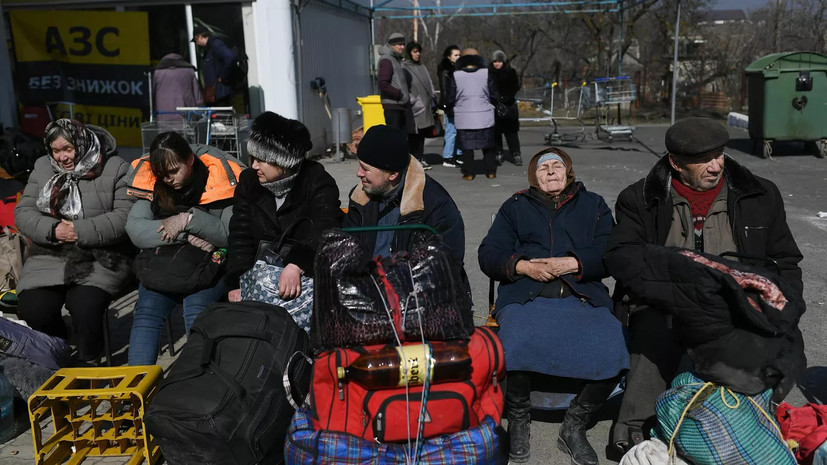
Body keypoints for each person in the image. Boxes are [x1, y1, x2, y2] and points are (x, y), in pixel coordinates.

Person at [604, 117, 804, 455]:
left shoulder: (759, 194)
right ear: (676, 164)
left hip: (740, 302)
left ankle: (749, 423)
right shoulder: (640, 198)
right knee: (655, 330)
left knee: (765, 346)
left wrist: (783, 304)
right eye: (703, 159)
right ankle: (634, 427)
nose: (716, 165)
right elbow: (622, 258)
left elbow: (785, 261)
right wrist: (676, 283)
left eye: (719, 155)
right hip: (664, 300)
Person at [479, 148, 629, 464]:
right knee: (513, 341)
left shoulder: (594, 205)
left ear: (568, 172)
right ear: (534, 176)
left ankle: (574, 424)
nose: (550, 172)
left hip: (581, 296)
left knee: (614, 343)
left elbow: (612, 252)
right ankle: (518, 418)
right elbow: (489, 252)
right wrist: (523, 266)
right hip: (526, 295)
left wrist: (575, 262)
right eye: (543, 167)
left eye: (556, 166)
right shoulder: (516, 207)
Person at [14, 119, 135, 362]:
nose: (61, 157)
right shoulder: (42, 167)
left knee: (85, 306)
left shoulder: (116, 168)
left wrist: (80, 230)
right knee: (33, 308)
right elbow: (23, 212)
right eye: (56, 151)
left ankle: (90, 358)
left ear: (82, 143)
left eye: (68, 149)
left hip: (101, 256)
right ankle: (59, 346)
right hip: (51, 253)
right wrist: (54, 229)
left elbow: (125, 216)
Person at [125, 131, 243, 366]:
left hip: (210, 266)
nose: (168, 179)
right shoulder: (153, 183)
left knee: (196, 309)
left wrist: (189, 220)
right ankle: (135, 387)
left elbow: (229, 234)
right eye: (162, 174)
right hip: (167, 262)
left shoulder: (220, 177)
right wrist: (184, 234)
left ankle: (194, 378)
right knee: (147, 312)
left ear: (190, 160)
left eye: (173, 171)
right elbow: (135, 229)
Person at [224, 111, 342, 304]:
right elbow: (240, 234)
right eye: (253, 158)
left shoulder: (316, 181)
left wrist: (297, 264)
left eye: (261, 160)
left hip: (304, 282)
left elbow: (326, 227)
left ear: (283, 162)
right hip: (259, 279)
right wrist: (239, 281)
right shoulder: (249, 182)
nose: (254, 166)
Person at [342, 124, 465, 263]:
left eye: (365, 169)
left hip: (412, 282)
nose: (358, 173)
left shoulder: (435, 204)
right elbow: (348, 249)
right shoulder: (360, 197)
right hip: (369, 281)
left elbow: (446, 264)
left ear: (393, 174)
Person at [445, 48, 500, 181]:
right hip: (484, 115)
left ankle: (469, 173)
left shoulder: (456, 75)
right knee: (488, 146)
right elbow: (494, 94)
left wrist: (450, 107)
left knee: (467, 147)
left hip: (464, 116)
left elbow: (451, 97)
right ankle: (491, 171)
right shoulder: (486, 74)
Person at [402, 41, 437, 168]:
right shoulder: (405, 67)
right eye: (414, 52)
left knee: (422, 133)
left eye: (418, 52)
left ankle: (420, 157)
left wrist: (433, 98)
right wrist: (413, 100)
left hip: (425, 105)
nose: (417, 54)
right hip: (414, 107)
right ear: (409, 53)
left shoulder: (422, 66)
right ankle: (414, 159)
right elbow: (404, 87)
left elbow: (430, 84)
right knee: (414, 134)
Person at [377, 33, 416, 143]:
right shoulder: (387, 60)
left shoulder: (395, 59)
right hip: (393, 106)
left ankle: (399, 159)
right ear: (392, 45)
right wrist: (399, 94)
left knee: (401, 138)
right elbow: (383, 84)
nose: (402, 47)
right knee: (394, 139)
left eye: (403, 44)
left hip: (399, 105)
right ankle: (393, 160)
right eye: (399, 44)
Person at [489, 50, 522, 166]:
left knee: (511, 133)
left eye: (499, 61)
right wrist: (495, 100)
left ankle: (516, 154)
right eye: (495, 62)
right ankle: (498, 153)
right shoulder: (489, 73)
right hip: (494, 107)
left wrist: (506, 97)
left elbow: (515, 86)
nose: (497, 64)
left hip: (509, 106)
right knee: (496, 133)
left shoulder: (510, 72)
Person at [192, 26, 235, 107]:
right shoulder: (209, 48)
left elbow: (229, 57)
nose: (196, 44)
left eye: (196, 40)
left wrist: (223, 76)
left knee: (222, 118)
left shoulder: (215, 44)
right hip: (215, 94)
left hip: (221, 94)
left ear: (199, 37)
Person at [153, 52, 203, 120]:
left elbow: (151, 95)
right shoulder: (189, 70)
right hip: (186, 117)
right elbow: (198, 97)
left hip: (163, 117)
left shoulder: (157, 72)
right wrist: (200, 112)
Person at [437, 45, 462, 168]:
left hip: (456, 103)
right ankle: (448, 157)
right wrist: (448, 105)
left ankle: (456, 154)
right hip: (450, 104)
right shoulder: (446, 71)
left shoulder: (456, 69)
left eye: (459, 55)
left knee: (457, 131)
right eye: (455, 55)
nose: (458, 57)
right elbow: (445, 89)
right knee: (451, 131)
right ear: (449, 56)